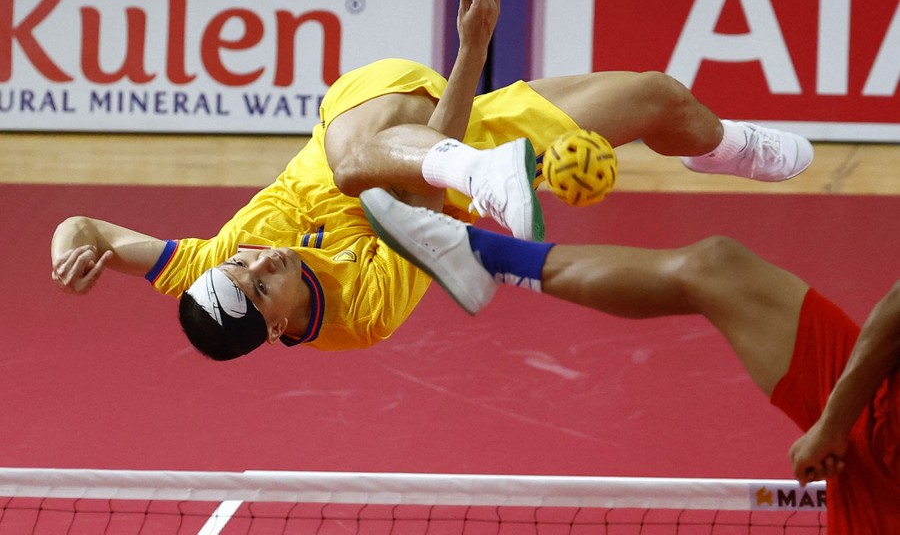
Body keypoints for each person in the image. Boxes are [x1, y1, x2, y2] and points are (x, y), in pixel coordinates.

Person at [51, 0, 814, 362]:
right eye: (261, 286)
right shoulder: (365, 313)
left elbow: (84, 227)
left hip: (363, 115)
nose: (262, 259)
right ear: (281, 328)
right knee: (657, 98)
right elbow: (420, 201)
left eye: (243, 266)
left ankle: (703, 149)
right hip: (452, 145)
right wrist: (472, 53)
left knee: (353, 167)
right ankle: (715, 148)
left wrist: (69, 257)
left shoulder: (213, 265)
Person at [357, 186, 900, 534]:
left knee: (717, 268)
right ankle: (482, 255)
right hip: (880, 416)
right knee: (716, 268)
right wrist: (835, 423)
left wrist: (834, 424)